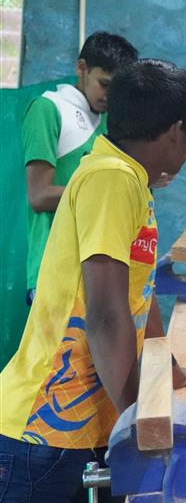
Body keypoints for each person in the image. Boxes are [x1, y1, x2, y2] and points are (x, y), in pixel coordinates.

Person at [0, 58, 186, 503]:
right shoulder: (112, 180)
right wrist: (144, 416)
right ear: (178, 130)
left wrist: (169, 366)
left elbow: (139, 294)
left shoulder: (127, 177)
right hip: (43, 433)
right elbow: (107, 312)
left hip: (91, 426)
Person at [22, 31, 137, 304]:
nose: (109, 96)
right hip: (54, 271)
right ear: (81, 68)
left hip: (94, 268)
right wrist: (104, 190)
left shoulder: (106, 124)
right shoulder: (48, 109)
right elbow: (39, 196)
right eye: (104, 84)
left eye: (117, 89)